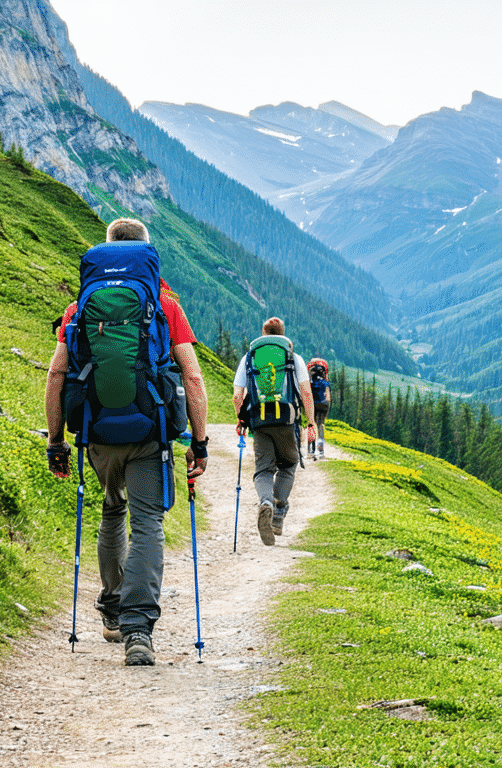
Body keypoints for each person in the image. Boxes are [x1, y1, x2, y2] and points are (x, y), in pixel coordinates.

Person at [43, 218, 209, 667]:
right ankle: (138, 629)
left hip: (96, 431)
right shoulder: (164, 306)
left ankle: (113, 609)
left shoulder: (80, 308)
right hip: (148, 434)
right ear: (146, 253)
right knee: (148, 522)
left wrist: (56, 441)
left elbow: (57, 374)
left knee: (111, 510)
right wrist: (200, 441)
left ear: (108, 249)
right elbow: (192, 376)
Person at [233, 317, 315, 546]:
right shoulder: (292, 357)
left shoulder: (249, 357)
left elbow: (237, 395)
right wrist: (311, 423)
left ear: (263, 333)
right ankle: (278, 513)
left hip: (259, 421)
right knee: (288, 465)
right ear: (282, 334)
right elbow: (306, 393)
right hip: (287, 420)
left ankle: (266, 503)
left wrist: (241, 419)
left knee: (263, 470)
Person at [306, 358, 330, 460]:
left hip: (312, 404)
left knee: (311, 424)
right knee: (320, 425)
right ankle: (321, 451)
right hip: (323, 404)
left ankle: (310, 451)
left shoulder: (310, 382)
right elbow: (328, 396)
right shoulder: (325, 382)